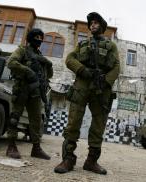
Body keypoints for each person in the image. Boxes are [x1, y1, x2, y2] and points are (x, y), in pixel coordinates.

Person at [54, 12, 120, 175]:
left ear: (102, 27)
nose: (93, 25)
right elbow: (69, 59)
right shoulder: (82, 44)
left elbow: (117, 67)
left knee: (98, 124)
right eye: (91, 23)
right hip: (82, 84)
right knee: (74, 121)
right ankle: (68, 158)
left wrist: (105, 82)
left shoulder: (110, 46)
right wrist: (82, 70)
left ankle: (91, 161)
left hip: (101, 87)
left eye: (96, 23)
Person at [6, 28, 53, 160]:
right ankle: (11, 145)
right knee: (15, 117)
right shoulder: (22, 50)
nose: (39, 40)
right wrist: (27, 71)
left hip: (36, 93)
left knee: (36, 121)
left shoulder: (40, 56)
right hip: (22, 89)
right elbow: (11, 62)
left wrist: (48, 65)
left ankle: (36, 148)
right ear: (30, 38)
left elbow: (48, 75)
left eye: (40, 37)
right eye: (36, 37)